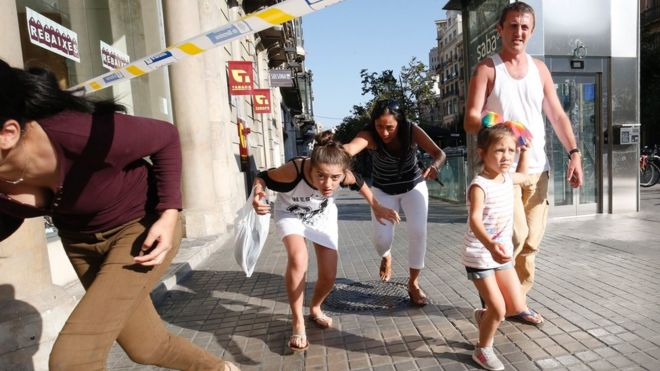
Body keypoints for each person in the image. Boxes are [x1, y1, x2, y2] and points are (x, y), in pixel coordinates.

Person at [0, 60, 238, 370]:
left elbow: (165, 137)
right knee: (146, 346)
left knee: (73, 359)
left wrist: (169, 214)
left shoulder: (79, 133)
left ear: (8, 133)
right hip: (80, 244)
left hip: (140, 229)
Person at [464, 1, 583, 321]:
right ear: (500, 29)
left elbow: (557, 115)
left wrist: (574, 153)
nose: (518, 32)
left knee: (530, 242)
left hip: (537, 170)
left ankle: (516, 302)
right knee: (512, 236)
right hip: (502, 173)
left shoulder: (539, 69)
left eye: (525, 27)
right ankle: (494, 302)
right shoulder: (488, 69)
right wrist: (505, 126)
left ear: (531, 31)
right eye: (512, 25)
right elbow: (471, 120)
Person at [252, 131, 400, 352]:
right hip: (291, 213)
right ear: (312, 166)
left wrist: (376, 206)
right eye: (321, 176)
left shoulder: (343, 174)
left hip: (322, 216)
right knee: (298, 258)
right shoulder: (294, 170)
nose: (328, 184)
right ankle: (297, 322)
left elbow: (359, 183)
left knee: (329, 275)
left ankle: (315, 308)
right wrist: (257, 193)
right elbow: (262, 176)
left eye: (335, 178)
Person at [342, 99, 446, 306]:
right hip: (383, 190)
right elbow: (351, 148)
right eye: (380, 126)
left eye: (390, 127)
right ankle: (386, 255)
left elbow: (439, 153)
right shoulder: (369, 134)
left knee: (418, 232)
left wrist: (435, 166)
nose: (384, 132)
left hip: (413, 186)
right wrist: (335, 155)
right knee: (381, 239)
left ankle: (414, 284)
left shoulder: (411, 130)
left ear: (399, 122)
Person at [465, 124, 542, 371]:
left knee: (515, 306)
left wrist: (525, 151)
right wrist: (489, 244)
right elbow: (475, 220)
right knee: (498, 309)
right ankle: (482, 350)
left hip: (501, 254)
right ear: (482, 153)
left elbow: (525, 176)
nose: (507, 156)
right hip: (479, 254)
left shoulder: (507, 178)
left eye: (511, 150)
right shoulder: (480, 185)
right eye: (499, 150)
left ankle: (483, 317)